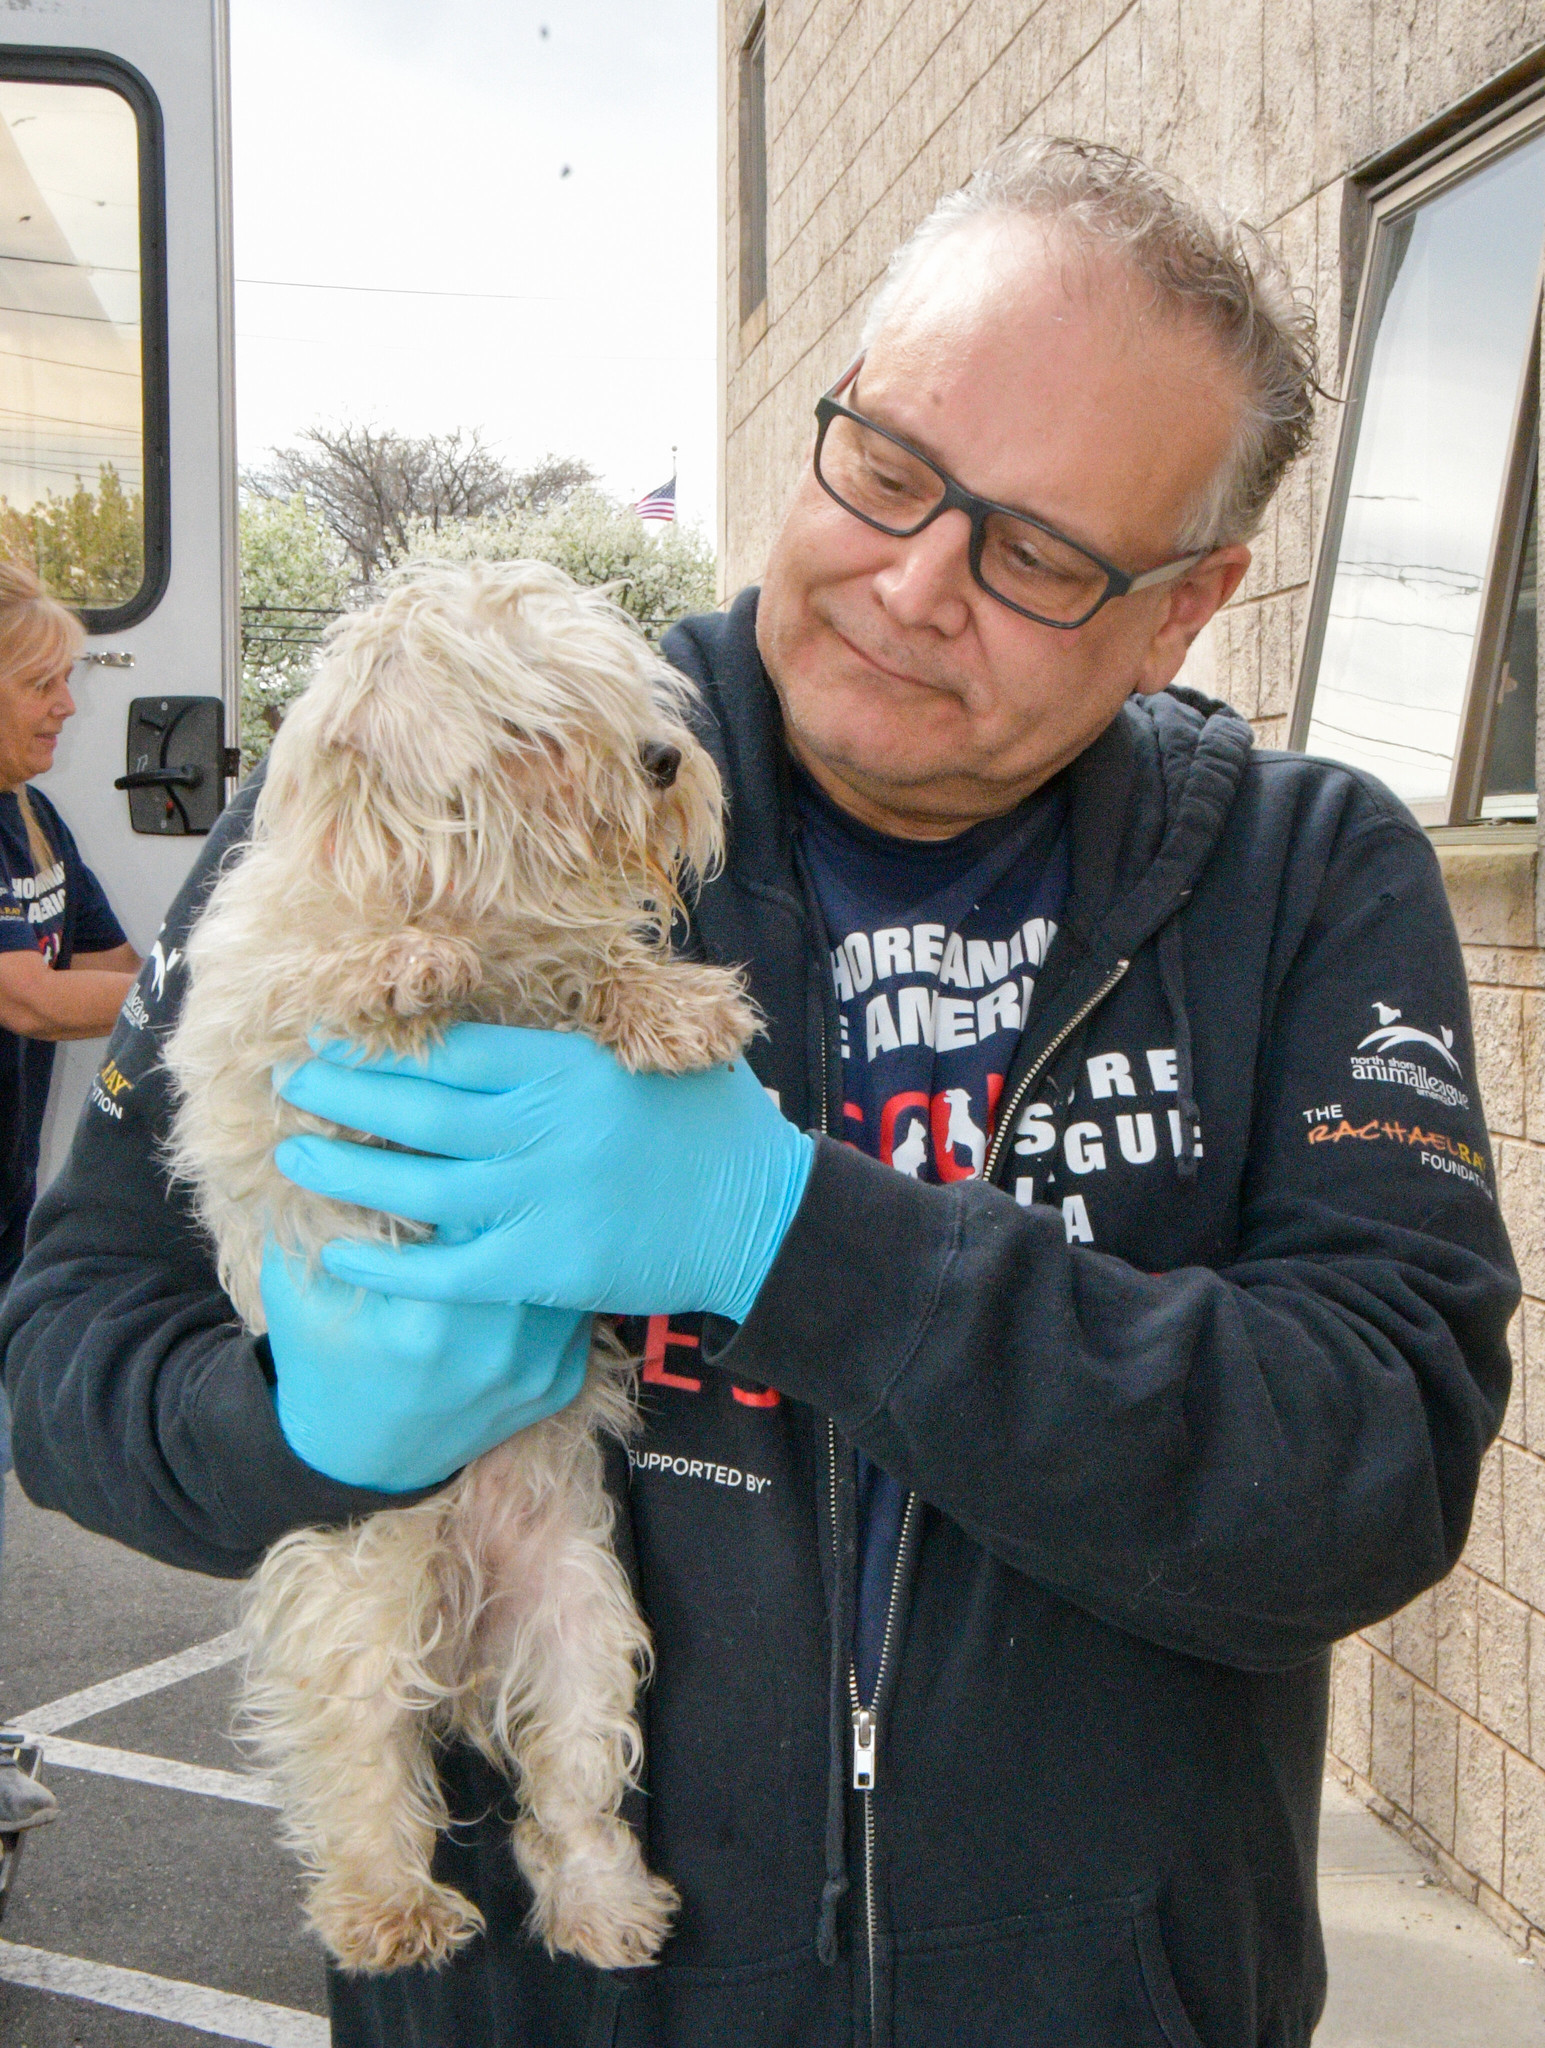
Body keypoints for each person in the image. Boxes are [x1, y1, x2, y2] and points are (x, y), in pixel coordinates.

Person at [0, 138, 1517, 2047]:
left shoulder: (1307, 876)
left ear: (1185, 606)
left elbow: (1371, 1469)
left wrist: (796, 1234)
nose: (908, 583)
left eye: (1036, 552)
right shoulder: (480, 763)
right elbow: (65, 1354)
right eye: (884, 466)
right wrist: (305, 1419)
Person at [0, 560, 139, 1833]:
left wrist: (154, 989)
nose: (65, 708)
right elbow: (40, 994)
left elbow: (115, 958)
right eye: (43, 682)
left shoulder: (31, 815)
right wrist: (184, 1000)